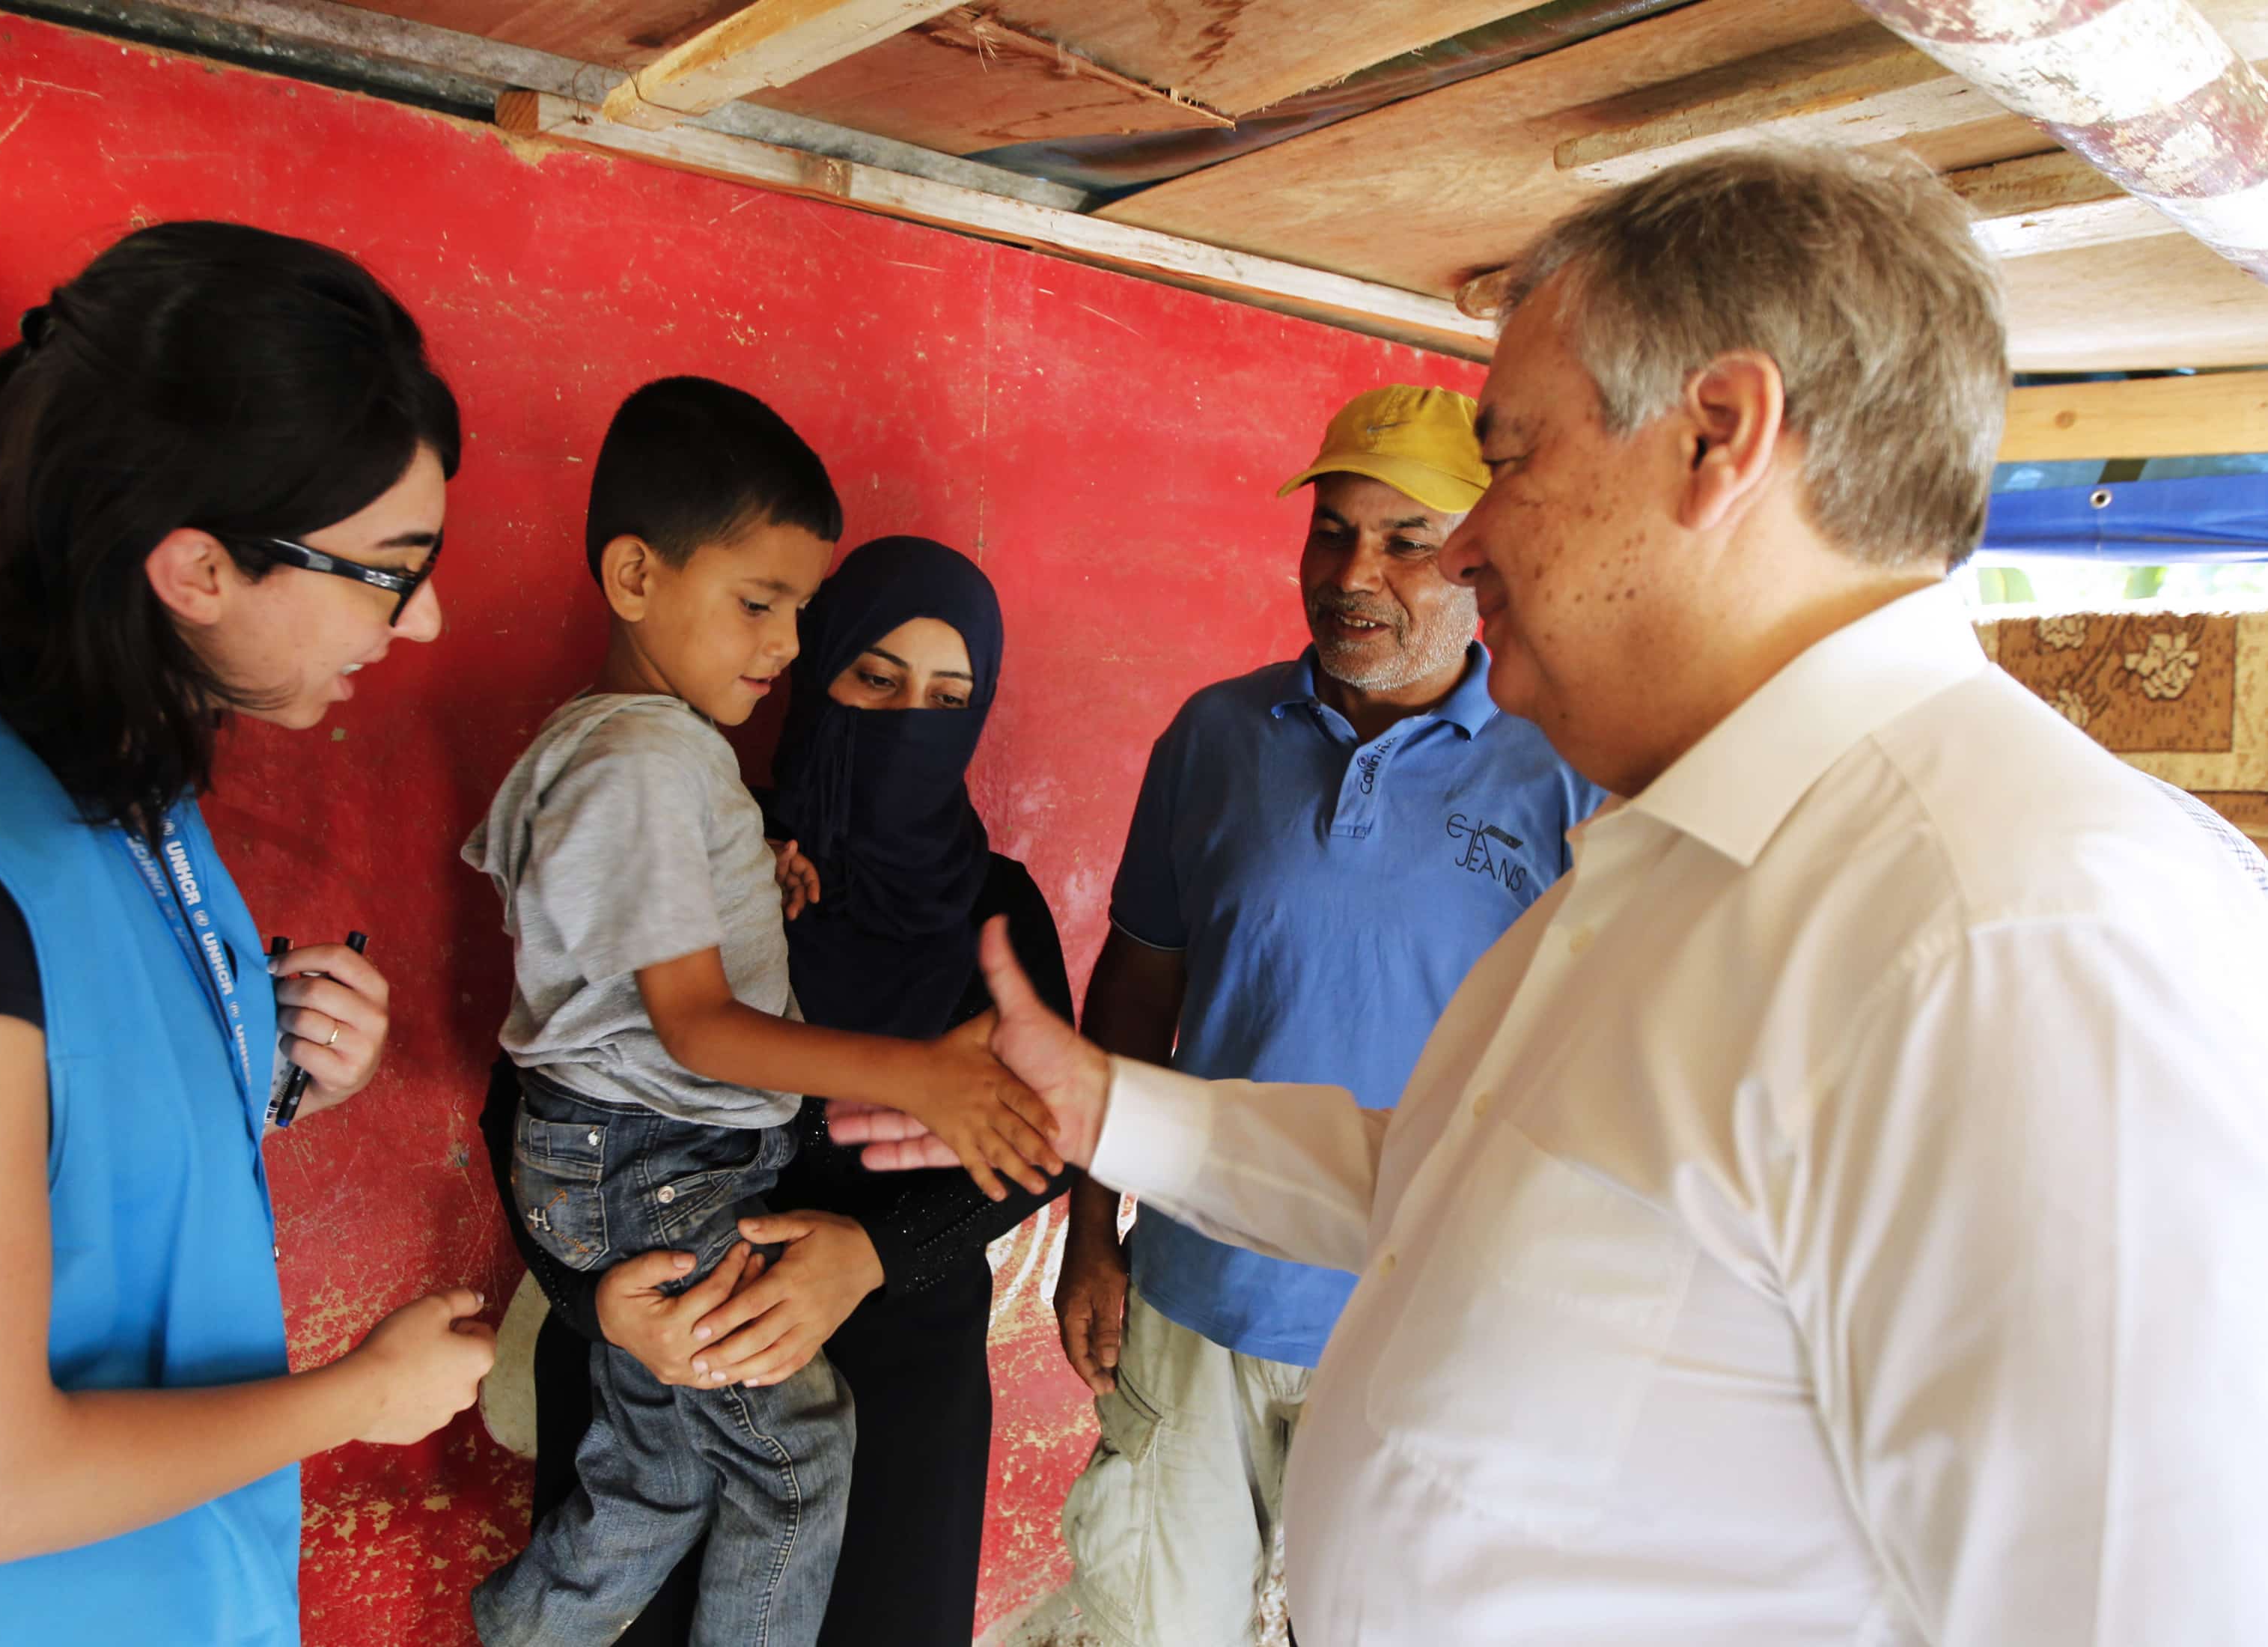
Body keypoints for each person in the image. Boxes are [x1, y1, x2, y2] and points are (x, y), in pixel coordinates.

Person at [843, 147, 2268, 1645]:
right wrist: (1106, 1109)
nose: (1465, 541)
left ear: (1717, 435)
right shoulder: (1685, 840)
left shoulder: (2013, 933)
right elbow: (1437, 1186)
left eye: (1509, 455)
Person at [0, 222, 499, 1647]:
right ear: (195, 572)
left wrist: (281, 1072)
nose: (420, 621)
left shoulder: (110, 780)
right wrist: (364, 1400)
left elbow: (64, 1154)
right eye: (384, 566)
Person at [463, 383, 1061, 1646]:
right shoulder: (706, 819)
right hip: (666, 1325)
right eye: (874, 672)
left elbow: (1035, 1140)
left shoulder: (990, 903)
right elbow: (543, 1094)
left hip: (895, 1374)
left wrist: (870, 1259)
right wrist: (593, 1303)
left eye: (947, 698)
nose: (908, 719)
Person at [1050, 386, 1600, 1647]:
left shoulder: (1559, 761)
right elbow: (1138, 992)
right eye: (1333, 534)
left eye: (1407, 540)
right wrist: (1094, 1229)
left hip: (1431, 1320)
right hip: (1197, 1299)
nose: (1356, 574)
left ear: (1480, 557)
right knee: (1149, 1626)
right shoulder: (1215, 736)